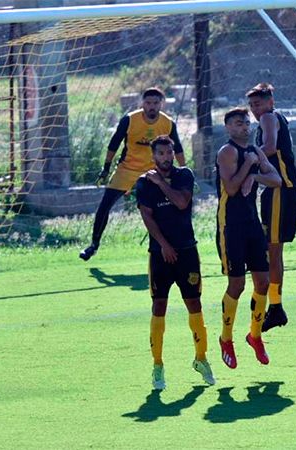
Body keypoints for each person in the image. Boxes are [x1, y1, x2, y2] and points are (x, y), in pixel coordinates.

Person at [135, 135, 213, 390]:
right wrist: (164, 245)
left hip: (187, 251)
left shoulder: (184, 175)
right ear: (153, 156)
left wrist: (161, 182)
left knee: (194, 303)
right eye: (161, 154)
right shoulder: (143, 183)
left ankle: (201, 358)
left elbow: (181, 202)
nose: (166, 158)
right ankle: (158, 365)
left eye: (169, 153)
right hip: (160, 254)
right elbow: (147, 217)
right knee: (159, 306)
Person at [81, 87, 185, 261]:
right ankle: (94, 245)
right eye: (148, 103)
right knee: (105, 206)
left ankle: (172, 245)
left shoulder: (168, 123)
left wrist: (183, 172)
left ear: (161, 104)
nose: (151, 106)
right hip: (127, 170)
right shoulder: (129, 120)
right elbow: (114, 143)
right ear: (142, 103)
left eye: (155, 103)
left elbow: (178, 148)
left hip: (153, 173)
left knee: (166, 209)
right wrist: (106, 168)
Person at [215, 108, 282, 369]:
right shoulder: (227, 152)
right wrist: (248, 166)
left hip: (253, 224)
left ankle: (255, 336)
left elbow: (276, 179)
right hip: (231, 226)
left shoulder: (255, 151)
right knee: (237, 284)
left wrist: (255, 174)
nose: (244, 127)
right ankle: (226, 338)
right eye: (238, 123)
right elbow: (231, 188)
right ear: (228, 128)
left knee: (263, 282)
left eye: (246, 122)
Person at [246, 83, 296, 333]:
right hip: (278, 190)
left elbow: (269, 147)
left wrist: (245, 157)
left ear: (270, 102)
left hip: (282, 189)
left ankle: (276, 307)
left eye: (258, 104)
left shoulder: (269, 118)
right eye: (251, 105)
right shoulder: (270, 119)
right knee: (273, 250)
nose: (255, 109)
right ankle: (275, 305)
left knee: (272, 249)